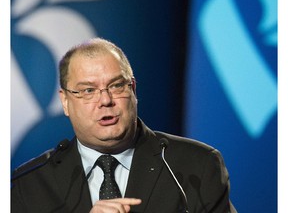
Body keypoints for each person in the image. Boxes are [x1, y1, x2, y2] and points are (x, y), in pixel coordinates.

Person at [11, 38, 237, 213]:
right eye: (88, 90)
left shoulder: (196, 166)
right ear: (65, 102)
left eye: (117, 86)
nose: (106, 100)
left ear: (133, 90)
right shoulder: (29, 183)